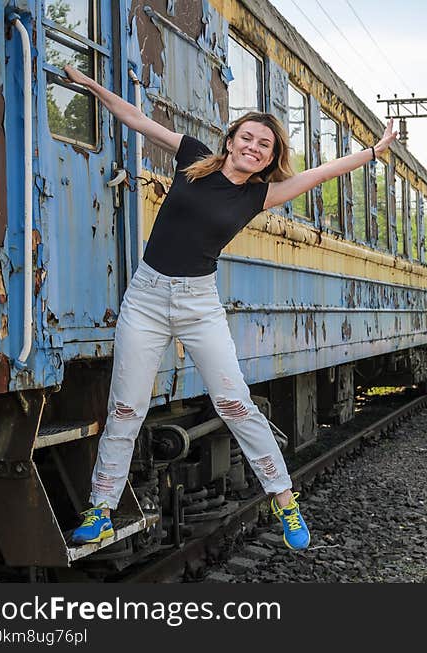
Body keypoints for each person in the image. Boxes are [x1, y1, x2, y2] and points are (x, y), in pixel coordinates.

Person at [62, 64, 398, 551]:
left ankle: (285, 500)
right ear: (231, 139)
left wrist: (373, 151)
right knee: (126, 407)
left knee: (235, 404)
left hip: (198, 304)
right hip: (147, 297)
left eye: (265, 145)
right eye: (248, 137)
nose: (254, 147)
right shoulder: (193, 158)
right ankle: (102, 509)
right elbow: (136, 118)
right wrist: (93, 86)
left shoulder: (261, 195)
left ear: (270, 157)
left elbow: (322, 171)